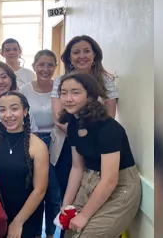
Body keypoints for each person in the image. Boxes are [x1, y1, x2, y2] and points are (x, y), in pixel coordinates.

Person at [50, 35, 118, 238]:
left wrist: (87, 138)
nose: (81, 56)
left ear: (95, 54)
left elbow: (109, 117)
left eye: (86, 51)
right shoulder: (61, 81)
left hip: (97, 151)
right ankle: (64, 230)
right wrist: (79, 136)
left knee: (91, 200)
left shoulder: (106, 81)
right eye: (76, 52)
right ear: (69, 57)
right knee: (66, 195)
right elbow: (59, 118)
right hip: (66, 147)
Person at [58, 73, 140, 238]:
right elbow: (77, 168)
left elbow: (110, 180)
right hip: (89, 179)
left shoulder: (108, 128)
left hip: (119, 187)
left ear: (89, 97)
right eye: (63, 92)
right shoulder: (73, 125)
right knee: (68, 232)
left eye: (75, 92)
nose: (68, 98)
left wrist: (84, 215)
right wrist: (66, 204)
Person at [0, 91, 49, 238]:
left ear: (25, 112)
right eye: (2, 110)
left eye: (14, 108)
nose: (8, 115)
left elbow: (40, 190)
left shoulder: (38, 146)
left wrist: (18, 222)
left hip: (26, 215)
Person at [20, 50, 61, 238]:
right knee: (35, 191)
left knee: (53, 191)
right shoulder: (24, 90)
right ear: (34, 66)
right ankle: (35, 233)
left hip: (57, 141)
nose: (45, 69)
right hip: (32, 142)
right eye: (41, 65)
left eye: (50, 65)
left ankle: (51, 233)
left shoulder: (60, 87)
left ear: (55, 66)